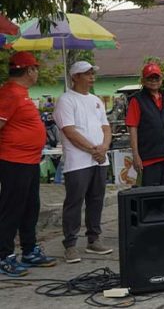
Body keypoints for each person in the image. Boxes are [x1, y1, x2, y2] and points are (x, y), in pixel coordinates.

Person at [0, 52, 56, 277]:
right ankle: (4, 255)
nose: (37, 73)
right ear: (29, 70)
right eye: (36, 69)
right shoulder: (10, 93)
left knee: (30, 208)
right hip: (14, 161)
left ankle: (29, 250)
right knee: (11, 209)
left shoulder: (21, 93)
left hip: (30, 161)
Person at [53, 61, 113, 264]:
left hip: (99, 160)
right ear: (75, 77)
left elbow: (106, 127)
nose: (91, 77)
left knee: (96, 200)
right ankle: (70, 244)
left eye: (92, 74)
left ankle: (93, 238)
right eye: (87, 74)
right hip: (78, 161)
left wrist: (104, 147)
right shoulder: (66, 100)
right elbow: (69, 131)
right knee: (74, 202)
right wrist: (92, 149)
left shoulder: (97, 100)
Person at [125, 63, 164, 186]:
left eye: (156, 78)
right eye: (150, 78)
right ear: (143, 81)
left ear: (161, 79)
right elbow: (133, 128)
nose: (153, 81)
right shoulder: (137, 100)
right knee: (151, 197)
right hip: (149, 158)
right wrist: (135, 155)